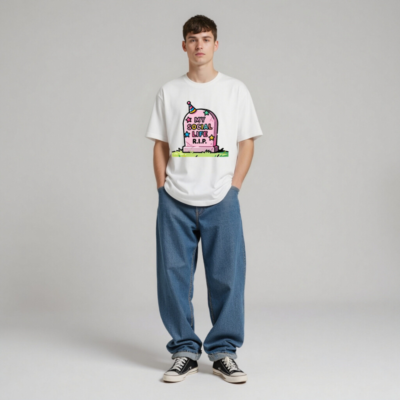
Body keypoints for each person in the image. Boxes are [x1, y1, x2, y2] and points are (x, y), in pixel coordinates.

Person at [145, 15, 263, 384]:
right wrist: (162, 190)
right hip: (175, 200)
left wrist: (234, 187)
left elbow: (247, 142)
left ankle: (224, 352)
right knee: (173, 277)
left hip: (221, 199)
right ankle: (184, 351)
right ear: (184, 45)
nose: (199, 45)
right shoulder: (169, 92)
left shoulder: (235, 90)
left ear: (216, 45)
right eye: (193, 39)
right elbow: (161, 144)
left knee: (228, 277)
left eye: (206, 38)